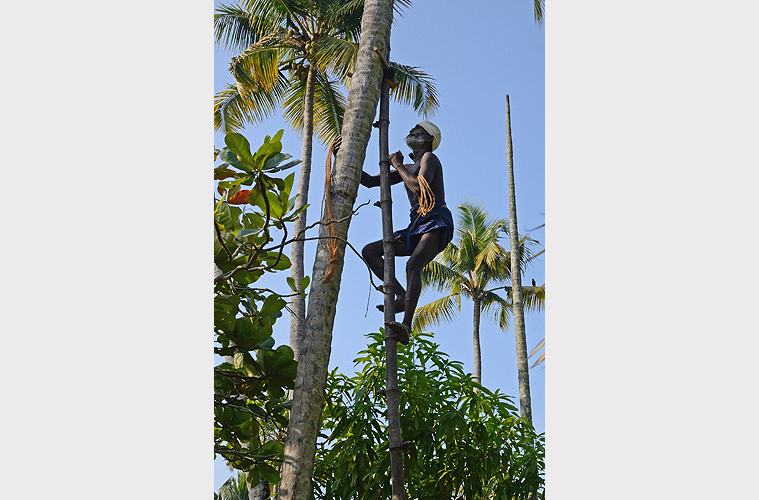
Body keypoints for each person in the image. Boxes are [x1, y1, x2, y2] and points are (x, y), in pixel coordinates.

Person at [359, 121, 454, 344]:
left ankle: (407, 326)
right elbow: (372, 182)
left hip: (435, 220)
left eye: (419, 130)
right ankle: (401, 295)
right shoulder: (409, 168)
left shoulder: (429, 159)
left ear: (428, 138)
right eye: (413, 128)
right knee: (370, 251)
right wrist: (342, 158)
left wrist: (398, 165)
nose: (413, 130)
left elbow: (419, 187)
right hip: (415, 225)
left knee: (413, 265)